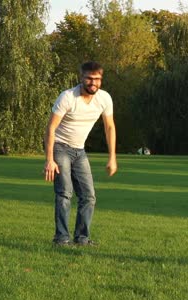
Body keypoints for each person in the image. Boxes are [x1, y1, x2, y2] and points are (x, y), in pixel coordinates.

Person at [43, 61, 117, 246]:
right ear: (81, 78)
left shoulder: (104, 98)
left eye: (97, 79)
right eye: (89, 79)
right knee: (65, 193)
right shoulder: (67, 97)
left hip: (79, 150)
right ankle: (61, 238)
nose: (93, 83)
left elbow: (109, 127)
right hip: (60, 147)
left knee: (89, 196)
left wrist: (112, 158)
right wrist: (49, 160)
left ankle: (82, 238)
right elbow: (51, 128)